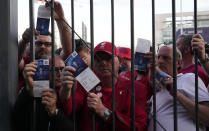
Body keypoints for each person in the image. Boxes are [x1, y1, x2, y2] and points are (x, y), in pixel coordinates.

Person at [59, 41, 148, 131]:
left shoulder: (136, 88)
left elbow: (139, 127)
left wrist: (104, 111)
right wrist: (66, 89)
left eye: (108, 58)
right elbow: (69, 109)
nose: (103, 62)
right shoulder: (87, 82)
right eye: (98, 59)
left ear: (119, 61)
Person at [148, 45, 209, 131]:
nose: (160, 61)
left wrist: (176, 94)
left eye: (166, 58)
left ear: (178, 63)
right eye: (158, 57)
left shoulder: (189, 78)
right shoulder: (156, 93)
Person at [18, 1, 72, 91]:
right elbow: (17, 59)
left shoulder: (57, 61)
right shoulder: (27, 62)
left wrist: (60, 19)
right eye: (38, 43)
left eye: (47, 44)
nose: (43, 47)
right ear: (30, 45)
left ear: (53, 47)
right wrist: (24, 41)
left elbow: (68, 51)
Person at [12, 56, 73, 131]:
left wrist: (54, 112)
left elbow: (71, 127)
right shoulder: (32, 90)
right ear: (43, 70)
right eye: (54, 69)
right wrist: (29, 89)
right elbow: (17, 119)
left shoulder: (70, 91)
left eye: (62, 69)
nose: (60, 74)